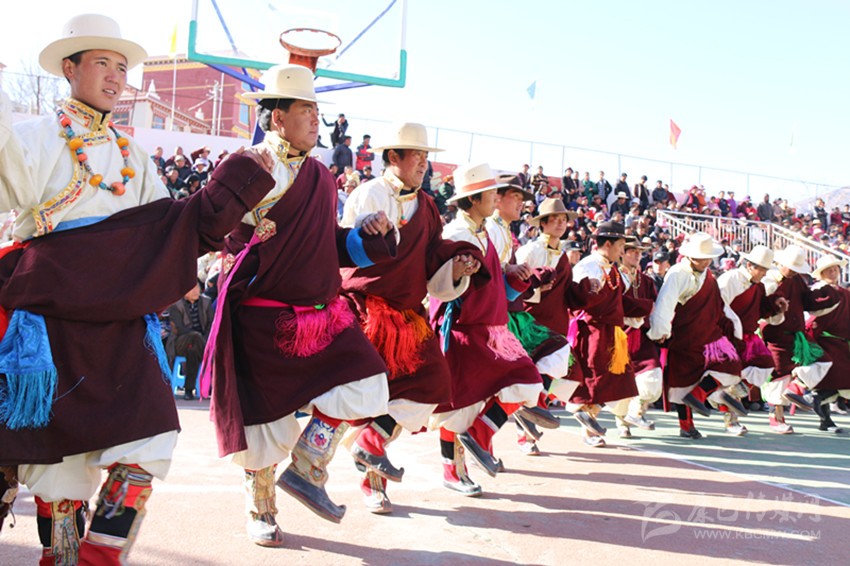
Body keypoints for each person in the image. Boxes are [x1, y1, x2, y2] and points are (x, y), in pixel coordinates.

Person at [0, 14, 276, 562]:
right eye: (101, 63)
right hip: (54, 317)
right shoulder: (34, 136)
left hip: (123, 321)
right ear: (69, 69)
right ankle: (61, 555)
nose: (114, 76)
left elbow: (169, 231)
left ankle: (99, 556)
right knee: (58, 464)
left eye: (121, 67)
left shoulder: (134, 155)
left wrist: (240, 184)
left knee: (150, 439)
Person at [202, 64, 396, 546]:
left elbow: (326, 243)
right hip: (262, 317)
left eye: (316, 109)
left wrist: (367, 236)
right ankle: (261, 507)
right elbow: (211, 228)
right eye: (305, 109)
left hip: (323, 314)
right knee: (265, 426)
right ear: (277, 117)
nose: (315, 119)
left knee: (367, 380)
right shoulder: (246, 165)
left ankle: (309, 465)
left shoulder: (321, 177)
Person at [340, 122, 482, 513]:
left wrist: (457, 269)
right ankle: (369, 482)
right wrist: (372, 231)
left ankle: (371, 443)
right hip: (366, 309)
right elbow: (350, 249)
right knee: (371, 398)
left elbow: (433, 263)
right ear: (393, 157)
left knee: (432, 382)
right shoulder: (370, 193)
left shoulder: (429, 207)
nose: (423, 163)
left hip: (407, 315)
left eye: (425, 156)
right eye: (415, 155)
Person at [430, 162, 544, 495]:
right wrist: (457, 273)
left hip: (491, 328)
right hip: (464, 328)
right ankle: (453, 471)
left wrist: (513, 277)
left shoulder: (483, 232)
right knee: (459, 406)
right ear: (474, 198)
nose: (495, 197)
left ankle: (479, 436)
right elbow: (439, 286)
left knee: (526, 382)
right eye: (491, 192)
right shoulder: (456, 234)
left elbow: (493, 283)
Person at [516, 198, 601, 449]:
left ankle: (529, 409)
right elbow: (514, 286)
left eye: (563, 220)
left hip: (556, 323)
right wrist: (536, 288)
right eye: (554, 219)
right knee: (529, 377)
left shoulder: (562, 255)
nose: (560, 224)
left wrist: (586, 288)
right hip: (531, 324)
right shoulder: (530, 251)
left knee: (570, 375)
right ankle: (524, 435)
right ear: (542, 223)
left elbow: (567, 291)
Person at [648, 233, 747, 439]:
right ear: (690, 256)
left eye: (708, 258)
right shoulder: (677, 273)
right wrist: (660, 331)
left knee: (730, 365)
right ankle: (686, 426)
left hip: (708, 335)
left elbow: (718, 305)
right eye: (701, 258)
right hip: (683, 336)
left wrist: (731, 326)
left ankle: (699, 394)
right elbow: (666, 303)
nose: (705, 262)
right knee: (682, 381)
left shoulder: (709, 276)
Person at [569, 222, 654, 446]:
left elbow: (618, 301)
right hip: (593, 331)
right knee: (595, 379)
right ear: (607, 244)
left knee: (622, 382)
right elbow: (579, 299)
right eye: (620, 246)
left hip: (613, 333)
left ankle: (587, 414)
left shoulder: (613, 269)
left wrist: (645, 307)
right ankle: (588, 429)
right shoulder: (587, 266)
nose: (622, 251)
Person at [761, 245, 837, 433]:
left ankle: (797, 387)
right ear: (781, 263)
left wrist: (827, 294)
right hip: (777, 338)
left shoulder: (797, 280)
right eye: (791, 267)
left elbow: (808, 300)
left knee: (823, 360)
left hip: (798, 337)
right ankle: (776, 419)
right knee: (779, 376)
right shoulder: (769, 280)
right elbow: (764, 307)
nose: (794, 271)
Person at [717, 245, 788, 434]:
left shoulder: (759, 286)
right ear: (749, 265)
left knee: (765, 365)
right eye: (761, 269)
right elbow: (717, 306)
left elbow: (761, 310)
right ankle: (730, 421)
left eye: (766, 270)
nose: (764, 274)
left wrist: (775, 305)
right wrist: (730, 332)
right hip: (727, 336)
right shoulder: (730, 279)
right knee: (730, 377)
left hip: (748, 337)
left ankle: (730, 394)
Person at [618, 238, 662, 437]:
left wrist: (660, 329)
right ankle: (621, 421)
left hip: (642, 337)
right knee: (621, 381)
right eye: (632, 251)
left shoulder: (646, 281)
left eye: (639, 252)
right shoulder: (614, 277)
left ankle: (636, 412)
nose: (637, 255)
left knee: (652, 373)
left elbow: (655, 308)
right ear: (622, 252)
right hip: (619, 336)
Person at [808, 255, 850, 433]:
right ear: (821, 273)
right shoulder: (818, 292)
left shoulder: (845, 293)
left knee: (839, 380)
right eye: (829, 270)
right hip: (822, 341)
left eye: (835, 269)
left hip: (842, 342)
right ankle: (824, 418)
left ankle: (820, 408)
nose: (833, 273)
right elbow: (812, 319)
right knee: (828, 380)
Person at [166, 281, 214, 400]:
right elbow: (179, 328)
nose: (196, 291)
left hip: (199, 343)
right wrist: (199, 337)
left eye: (197, 288)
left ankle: (188, 390)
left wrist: (203, 339)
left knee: (193, 351)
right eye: (192, 289)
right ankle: (206, 380)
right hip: (181, 341)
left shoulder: (206, 302)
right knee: (195, 337)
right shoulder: (176, 305)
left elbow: (211, 325)